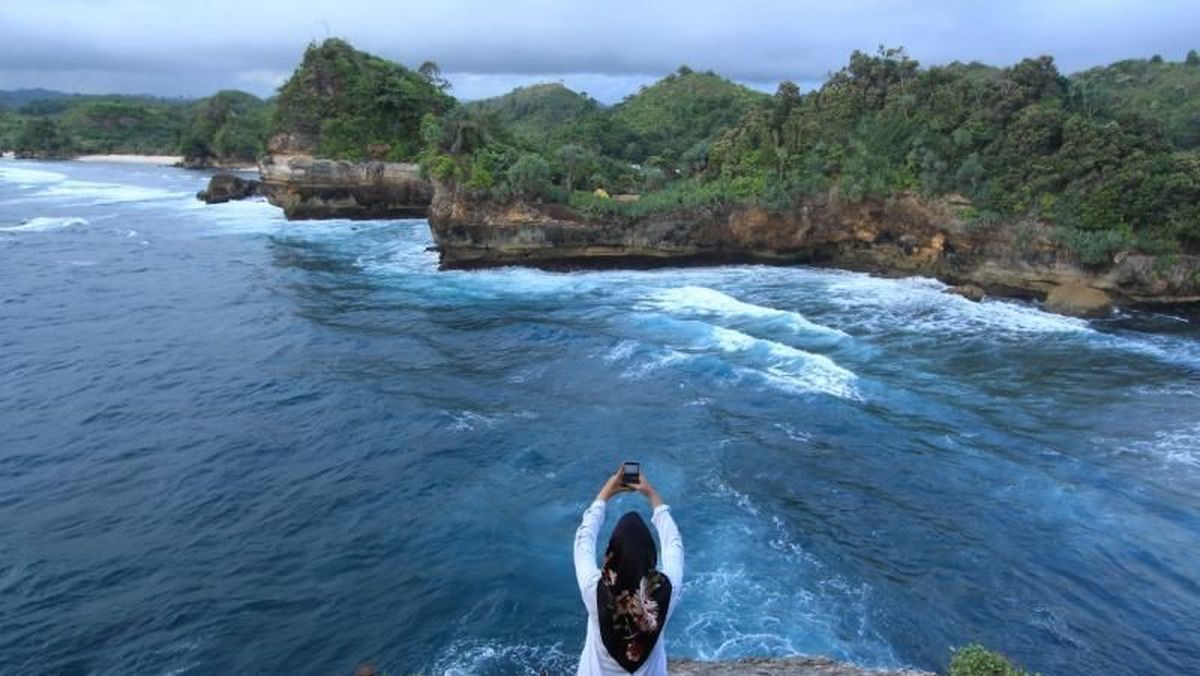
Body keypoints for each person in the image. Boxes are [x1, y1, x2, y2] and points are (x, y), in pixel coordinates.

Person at [574, 466, 684, 675]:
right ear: (651, 557)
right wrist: (653, 496)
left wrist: (605, 494)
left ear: (611, 556)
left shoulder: (595, 591)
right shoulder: (666, 593)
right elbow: (674, 544)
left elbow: (583, 539)